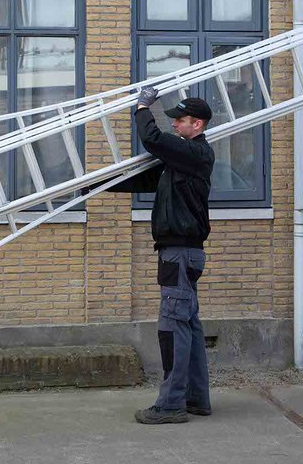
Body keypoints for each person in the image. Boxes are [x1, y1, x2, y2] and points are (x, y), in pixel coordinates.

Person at [95, 86, 215, 424]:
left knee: (172, 329)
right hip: (182, 254)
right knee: (188, 327)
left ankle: (171, 405)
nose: (174, 124)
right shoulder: (183, 160)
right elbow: (148, 178)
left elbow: (153, 139)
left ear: (197, 124)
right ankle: (195, 399)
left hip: (179, 254)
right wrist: (95, 186)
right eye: (174, 120)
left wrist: (142, 107)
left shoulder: (195, 153)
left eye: (180, 120)